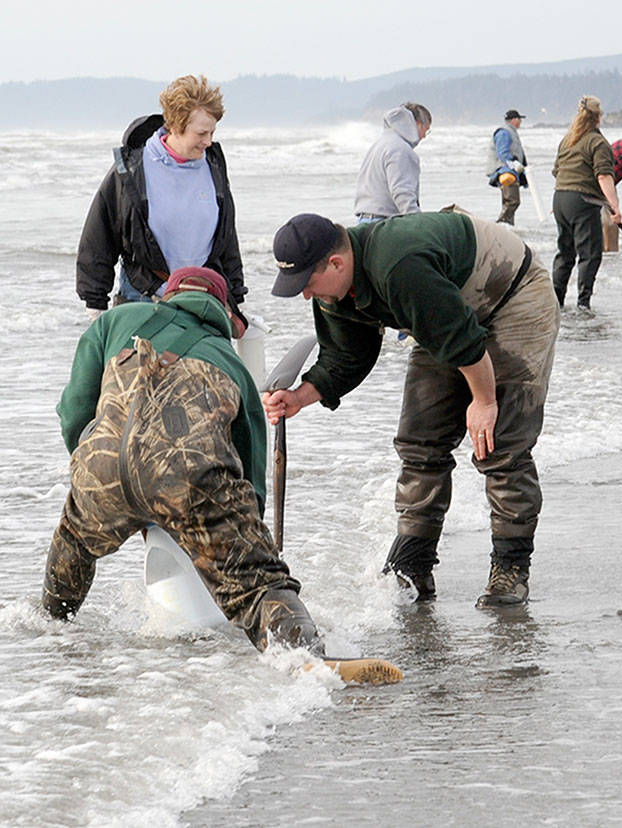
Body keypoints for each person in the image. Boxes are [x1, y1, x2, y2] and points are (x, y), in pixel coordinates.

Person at [42, 266, 401, 685]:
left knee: (74, 540)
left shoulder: (113, 321)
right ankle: (306, 657)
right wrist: (248, 539)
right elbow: (249, 473)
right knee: (259, 582)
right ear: (225, 315)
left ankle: (49, 624)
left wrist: (93, 475)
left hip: (100, 468)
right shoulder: (229, 362)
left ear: (167, 297)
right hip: (189, 482)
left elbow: (74, 411)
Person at [264, 211, 558, 608]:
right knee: (421, 438)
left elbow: (463, 342)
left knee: (500, 441)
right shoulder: (336, 287)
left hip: (513, 296)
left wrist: (484, 402)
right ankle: (413, 564)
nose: (304, 295)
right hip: (448, 310)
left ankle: (511, 568)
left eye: (306, 283)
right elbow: (347, 355)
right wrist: (299, 397)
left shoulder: (399, 267)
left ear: (335, 263)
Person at [75, 75, 247, 330]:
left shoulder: (213, 165)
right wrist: (95, 304)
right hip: (143, 298)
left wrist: (237, 296)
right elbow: (99, 236)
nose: (209, 141)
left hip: (204, 298)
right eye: (201, 133)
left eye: (212, 132)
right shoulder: (131, 170)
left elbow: (226, 237)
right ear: (176, 125)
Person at [550, 96, 620, 311]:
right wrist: (615, 206)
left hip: (560, 197)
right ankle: (583, 304)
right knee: (590, 253)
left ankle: (556, 302)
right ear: (599, 117)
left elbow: (556, 171)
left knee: (565, 252)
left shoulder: (568, 139)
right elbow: (603, 176)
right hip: (583, 200)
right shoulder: (597, 142)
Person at [354, 103, 431, 222]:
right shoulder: (401, 149)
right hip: (384, 223)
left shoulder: (380, 144)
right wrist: (418, 222)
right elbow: (402, 191)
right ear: (416, 124)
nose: (424, 136)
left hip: (364, 220)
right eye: (425, 129)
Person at [487, 109, 528, 225]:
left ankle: (508, 227)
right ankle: (501, 225)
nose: (520, 122)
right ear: (515, 120)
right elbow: (502, 153)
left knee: (508, 202)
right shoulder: (504, 132)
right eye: (520, 119)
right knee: (512, 201)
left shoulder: (510, 132)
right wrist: (513, 164)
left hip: (510, 172)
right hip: (506, 172)